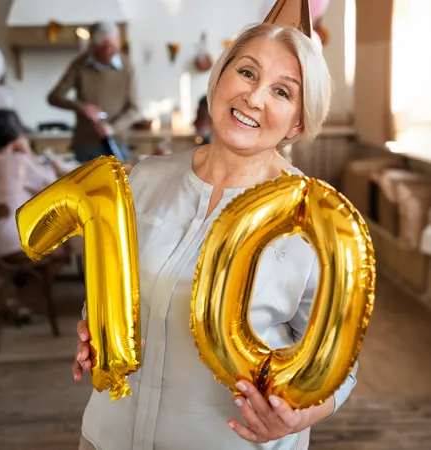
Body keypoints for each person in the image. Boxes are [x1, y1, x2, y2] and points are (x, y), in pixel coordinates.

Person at [74, 24, 357, 450]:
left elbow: (341, 364)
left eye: (282, 91)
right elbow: (110, 288)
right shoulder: (144, 179)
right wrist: (93, 326)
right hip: (106, 437)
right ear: (220, 76)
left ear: (298, 122)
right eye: (247, 72)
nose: (254, 97)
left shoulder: (315, 223)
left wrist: (302, 415)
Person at [0, 109, 60, 324]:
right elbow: (51, 184)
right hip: (11, 246)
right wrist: (29, 153)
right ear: (17, 134)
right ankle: (21, 302)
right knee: (60, 250)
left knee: (29, 257)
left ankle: (16, 296)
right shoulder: (18, 161)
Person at [47, 21, 140, 163]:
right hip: (85, 146)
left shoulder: (127, 67)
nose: (115, 52)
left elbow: (134, 109)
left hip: (116, 143)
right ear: (94, 48)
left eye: (117, 45)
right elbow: (54, 97)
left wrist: (112, 129)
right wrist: (81, 107)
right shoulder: (79, 65)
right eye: (109, 48)